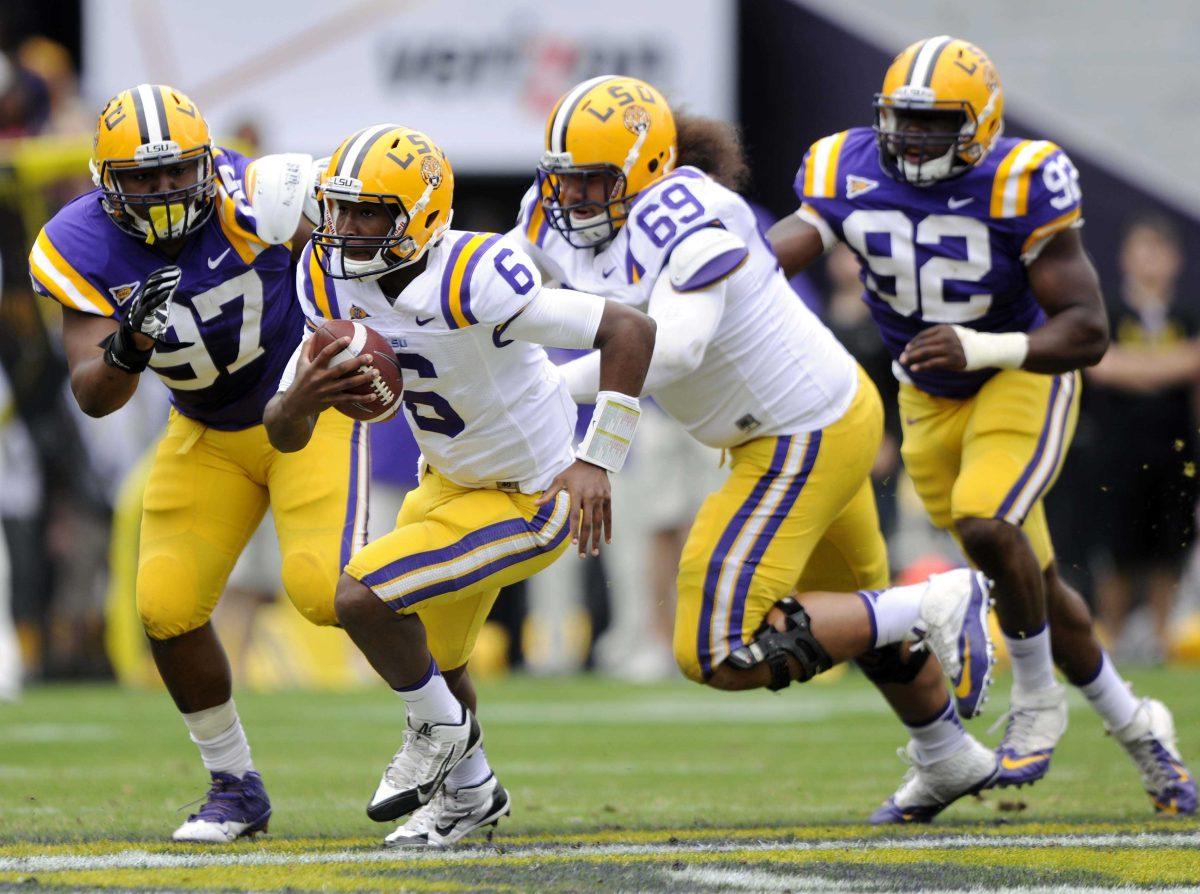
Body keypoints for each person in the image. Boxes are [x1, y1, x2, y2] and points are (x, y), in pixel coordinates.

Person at [514, 75, 1002, 823]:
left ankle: (944, 596)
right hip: (793, 425)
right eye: (563, 180)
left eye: (591, 183)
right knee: (867, 616)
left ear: (646, 172)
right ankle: (946, 753)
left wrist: (552, 396)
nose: (571, 199)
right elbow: (505, 298)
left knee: (713, 645)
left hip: (800, 430)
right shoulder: (550, 218)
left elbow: (673, 348)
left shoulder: (693, 215)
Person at [767, 36, 1196, 814]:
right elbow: (782, 251)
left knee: (987, 522)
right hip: (925, 394)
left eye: (936, 125)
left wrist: (986, 343)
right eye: (903, 120)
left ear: (984, 125)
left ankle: (1036, 702)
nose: (914, 139)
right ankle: (1143, 731)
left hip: (1020, 375)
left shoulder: (1020, 181)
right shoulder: (846, 166)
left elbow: (1088, 329)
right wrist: (721, 277)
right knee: (1025, 576)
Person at [263, 123, 658, 847]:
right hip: (448, 483)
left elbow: (628, 330)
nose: (346, 230)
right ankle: (471, 793)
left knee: (362, 597)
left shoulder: (474, 273)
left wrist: (599, 457)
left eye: (370, 213)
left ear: (422, 217)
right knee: (433, 661)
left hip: (531, 495)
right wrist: (301, 398)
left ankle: (437, 729)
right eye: (339, 210)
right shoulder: (322, 275)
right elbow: (281, 432)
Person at [29, 84, 366, 841]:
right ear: (104, 179)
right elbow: (94, 394)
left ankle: (450, 745)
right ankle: (234, 785)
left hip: (303, 410)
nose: (159, 191)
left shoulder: (257, 196)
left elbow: (354, 259)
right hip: (206, 428)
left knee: (329, 592)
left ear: (208, 163)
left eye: (174, 171)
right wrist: (130, 343)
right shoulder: (75, 243)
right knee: (165, 606)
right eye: (140, 178)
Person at [1087, 213, 1200, 662]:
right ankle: (1110, 643)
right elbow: (1100, 366)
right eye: (1141, 250)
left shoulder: (1188, 314)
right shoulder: (1106, 311)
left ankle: (1160, 640)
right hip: (1116, 450)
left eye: (1159, 251)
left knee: (1169, 547)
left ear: (1175, 260)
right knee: (1116, 549)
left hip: (1177, 451)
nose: (1150, 261)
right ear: (1125, 258)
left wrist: (1132, 366)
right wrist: (1171, 364)